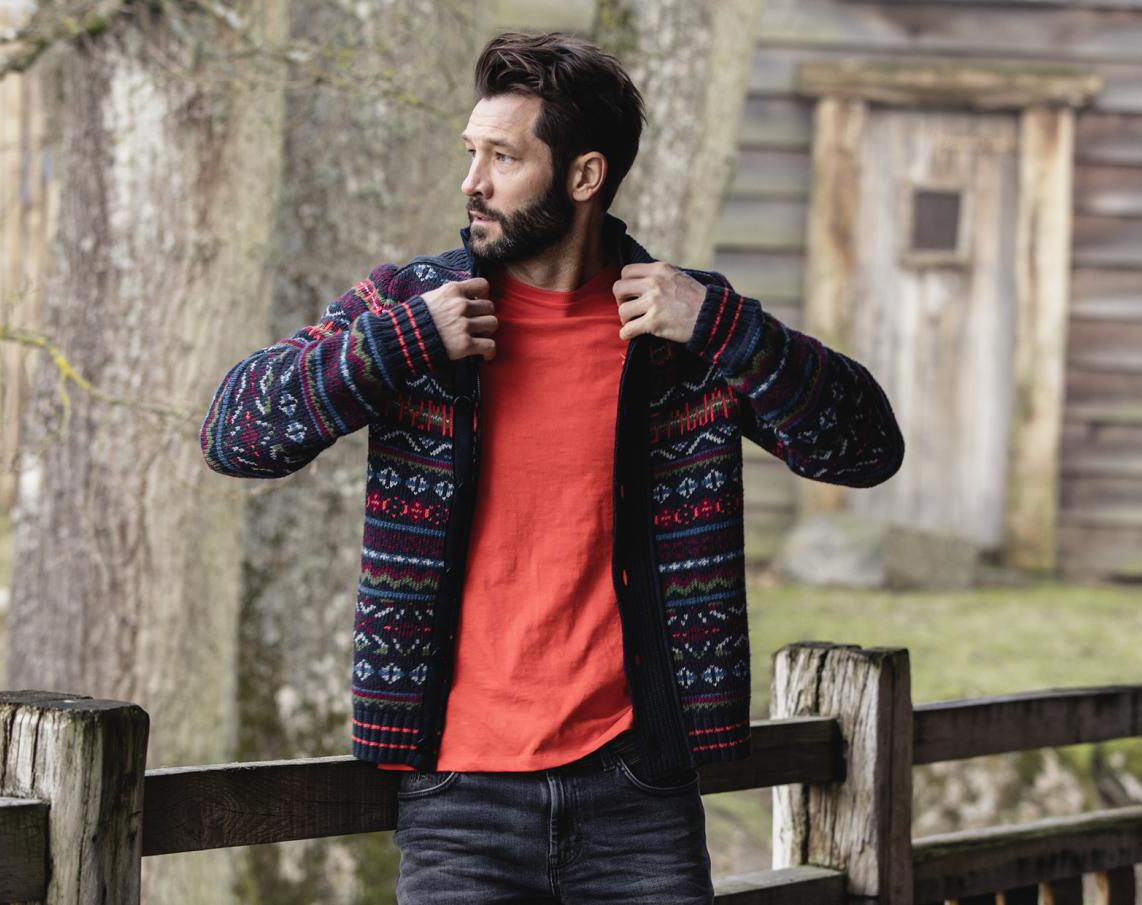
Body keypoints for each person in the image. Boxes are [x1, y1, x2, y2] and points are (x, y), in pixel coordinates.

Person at [200, 30, 905, 905]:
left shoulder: (682, 327)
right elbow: (234, 433)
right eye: (471, 153)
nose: (473, 182)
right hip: (458, 802)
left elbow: (866, 448)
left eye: (503, 157)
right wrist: (398, 342)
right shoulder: (415, 306)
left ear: (583, 176)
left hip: (640, 797)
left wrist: (726, 327)